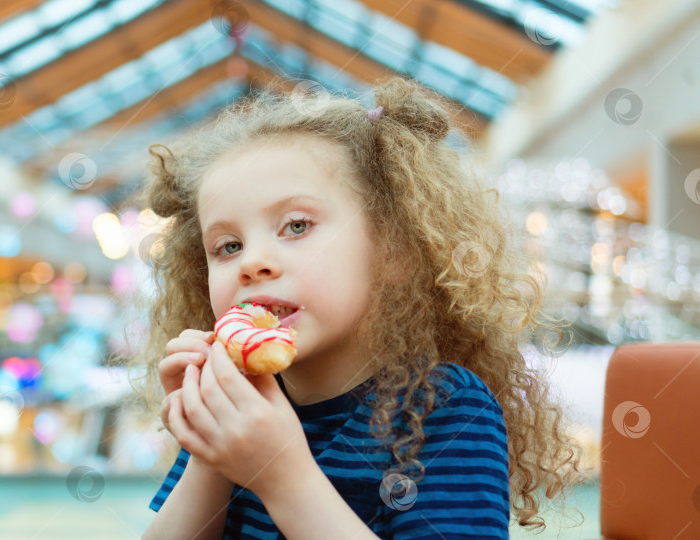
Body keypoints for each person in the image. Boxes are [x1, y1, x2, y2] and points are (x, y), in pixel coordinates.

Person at [132, 77, 588, 539]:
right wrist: (211, 455)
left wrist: (283, 477)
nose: (252, 263)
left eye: (295, 225)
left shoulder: (443, 407)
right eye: (228, 246)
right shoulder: (235, 403)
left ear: (394, 251)